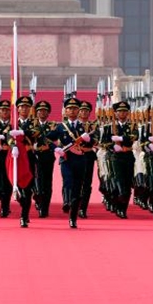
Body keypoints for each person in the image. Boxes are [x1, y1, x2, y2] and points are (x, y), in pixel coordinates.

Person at [53, 96, 95, 228]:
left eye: (75, 108)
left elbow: (95, 141)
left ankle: (73, 218)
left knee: (78, 188)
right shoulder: (60, 127)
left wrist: (89, 140)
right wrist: (56, 148)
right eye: (69, 108)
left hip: (81, 160)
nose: (72, 111)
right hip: (66, 159)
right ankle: (67, 202)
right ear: (65, 111)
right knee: (67, 181)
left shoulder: (86, 127)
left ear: (78, 110)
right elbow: (48, 139)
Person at [100, 100, 137, 218]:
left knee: (127, 182)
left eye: (124, 111)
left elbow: (134, 137)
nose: (122, 113)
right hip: (115, 157)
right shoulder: (108, 127)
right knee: (118, 180)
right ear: (115, 113)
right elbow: (103, 143)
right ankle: (118, 205)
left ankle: (123, 207)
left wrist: (120, 138)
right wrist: (112, 146)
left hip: (128, 156)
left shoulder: (132, 126)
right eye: (119, 111)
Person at [10, 95, 37, 227]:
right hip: (15, 158)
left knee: (27, 187)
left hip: (29, 158)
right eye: (21, 107)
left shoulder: (34, 123)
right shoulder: (13, 123)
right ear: (18, 109)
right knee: (17, 185)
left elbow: (36, 133)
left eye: (27, 107)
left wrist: (21, 132)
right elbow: (6, 136)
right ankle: (23, 204)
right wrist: (11, 144)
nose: (24, 109)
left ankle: (24, 215)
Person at [32, 99, 57, 218]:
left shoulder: (53, 126)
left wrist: (50, 146)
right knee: (37, 181)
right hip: (34, 157)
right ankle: (38, 199)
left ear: (48, 113)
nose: (42, 113)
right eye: (40, 111)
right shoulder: (32, 125)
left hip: (47, 157)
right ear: (36, 113)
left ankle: (45, 207)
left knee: (47, 183)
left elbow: (56, 140)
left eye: (44, 111)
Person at [77, 100, 97, 218]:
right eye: (82, 110)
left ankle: (83, 208)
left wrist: (90, 139)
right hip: (76, 155)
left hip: (88, 156)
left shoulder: (94, 126)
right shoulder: (73, 125)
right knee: (76, 182)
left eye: (86, 111)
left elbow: (98, 140)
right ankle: (74, 203)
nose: (84, 112)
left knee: (87, 183)